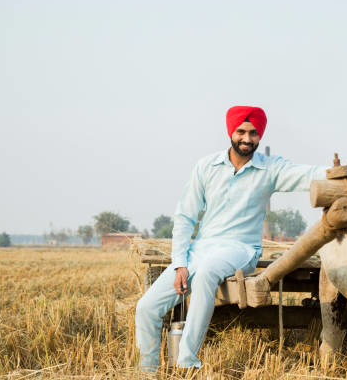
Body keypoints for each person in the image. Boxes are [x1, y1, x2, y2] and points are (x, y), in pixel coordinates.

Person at [135, 105, 326, 371]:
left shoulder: (270, 169)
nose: (247, 138)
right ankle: (146, 372)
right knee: (146, 307)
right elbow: (185, 217)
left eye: (254, 133)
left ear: (260, 136)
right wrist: (180, 263)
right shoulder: (206, 167)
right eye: (241, 131)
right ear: (230, 132)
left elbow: (309, 174)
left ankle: (186, 364)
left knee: (206, 275)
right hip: (199, 250)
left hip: (241, 249)